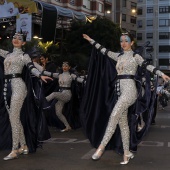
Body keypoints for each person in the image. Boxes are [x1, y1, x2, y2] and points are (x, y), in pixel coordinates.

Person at [82, 33, 170, 165]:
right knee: (123, 124)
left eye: (126, 41)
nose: (123, 43)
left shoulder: (135, 56)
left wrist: (161, 73)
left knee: (114, 115)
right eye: (121, 41)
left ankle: (101, 147)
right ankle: (126, 153)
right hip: (119, 91)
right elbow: (104, 51)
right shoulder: (118, 56)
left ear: (132, 43)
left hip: (130, 91)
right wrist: (91, 41)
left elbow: (148, 66)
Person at [0, 31, 52, 161]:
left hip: (19, 86)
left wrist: (40, 75)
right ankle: (24, 146)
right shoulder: (7, 54)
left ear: (23, 43)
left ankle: (14, 149)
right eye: (14, 37)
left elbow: (31, 68)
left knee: (13, 118)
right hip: (7, 87)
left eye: (19, 38)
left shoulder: (24, 56)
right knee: (15, 118)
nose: (16, 39)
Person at [36, 61, 85, 132]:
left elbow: (79, 79)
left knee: (54, 94)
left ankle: (42, 102)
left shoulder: (71, 75)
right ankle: (68, 126)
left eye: (66, 66)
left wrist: (86, 81)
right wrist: (42, 69)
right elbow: (48, 73)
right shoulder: (59, 75)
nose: (64, 67)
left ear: (69, 67)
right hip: (61, 95)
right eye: (63, 66)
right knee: (58, 112)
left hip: (67, 94)